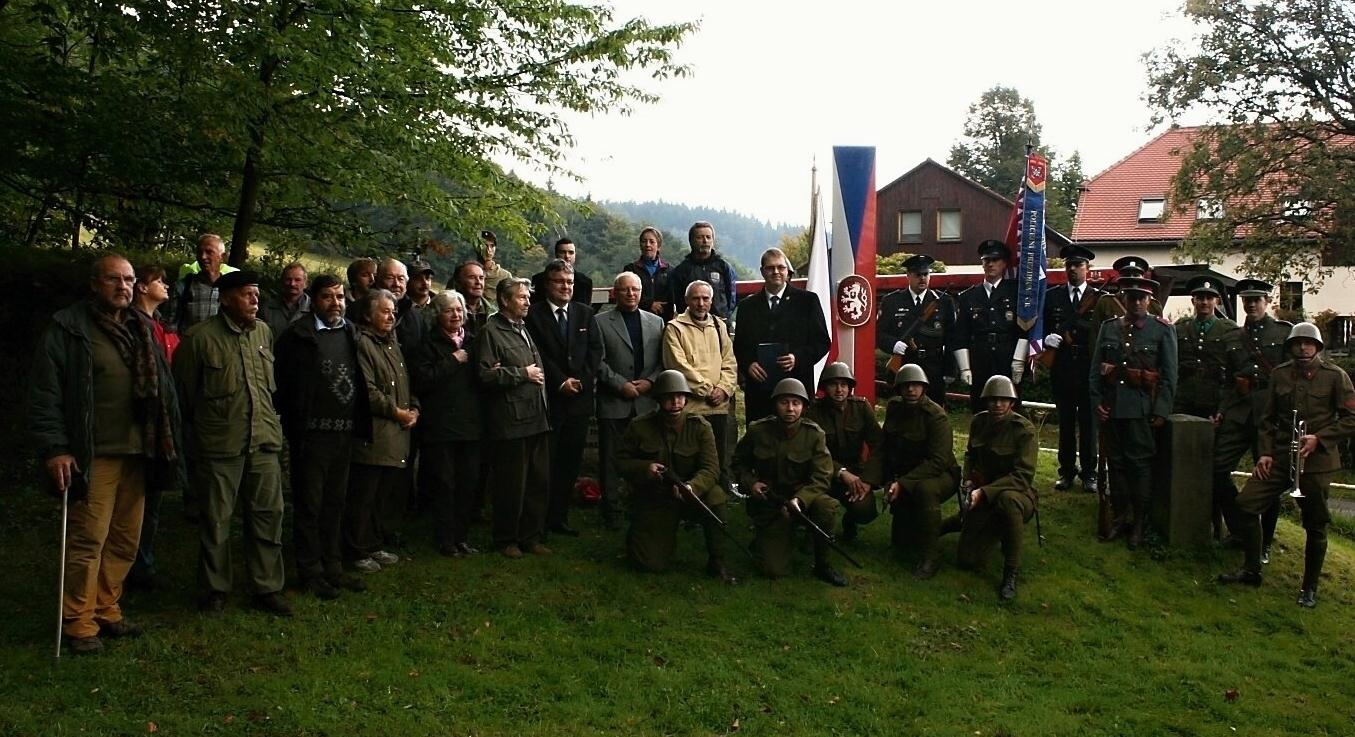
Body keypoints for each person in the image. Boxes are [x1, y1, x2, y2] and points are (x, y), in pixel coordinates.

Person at [29, 255, 181, 653]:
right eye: (114, 279)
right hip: (93, 452)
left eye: (130, 280)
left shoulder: (141, 327)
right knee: (88, 538)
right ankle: (77, 620)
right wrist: (56, 448)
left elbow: (164, 389)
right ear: (94, 283)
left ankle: (105, 607)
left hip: (141, 450)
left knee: (125, 539)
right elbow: (47, 394)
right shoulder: (69, 327)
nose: (124, 286)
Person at [173, 270, 291, 616]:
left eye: (256, 294)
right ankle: (214, 589)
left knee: (269, 516)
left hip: (263, 441)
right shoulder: (199, 340)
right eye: (246, 294)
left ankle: (266, 587)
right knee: (216, 520)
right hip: (220, 444)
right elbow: (185, 398)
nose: (255, 300)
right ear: (225, 299)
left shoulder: (264, 334)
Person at [1219, 322, 1355, 608]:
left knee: (1315, 525)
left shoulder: (1335, 377)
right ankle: (1252, 569)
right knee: (1245, 504)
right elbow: (1266, 418)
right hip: (1280, 457)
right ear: (1290, 347)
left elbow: (1351, 418)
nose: (1303, 348)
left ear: (1318, 348)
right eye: (1297, 344)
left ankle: (1309, 588)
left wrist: (1320, 437)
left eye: (1309, 344)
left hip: (1315, 463)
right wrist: (1265, 453)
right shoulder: (1279, 375)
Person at [272, 275, 371, 599]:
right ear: (313, 300)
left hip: (344, 434)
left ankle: (333, 567)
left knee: (335, 503)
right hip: (311, 436)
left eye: (340, 296)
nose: (336, 303)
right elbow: (283, 387)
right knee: (309, 506)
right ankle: (309, 571)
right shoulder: (297, 337)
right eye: (328, 297)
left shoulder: (351, 333)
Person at [617, 370, 735, 583]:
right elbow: (621, 462)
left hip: (690, 494)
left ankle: (717, 560)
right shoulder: (640, 426)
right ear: (659, 399)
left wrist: (692, 487)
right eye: (669, 397)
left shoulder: (700, 428)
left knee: (716, 498)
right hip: (656, 496)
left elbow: (711, 469)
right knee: (649, 564)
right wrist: (646, 468)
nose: (675, 402)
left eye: (680, 396)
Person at [1088, 276, 1178, 549]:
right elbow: (1095, 371)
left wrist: (1161, 410)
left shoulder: (1161, 330)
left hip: (1142, 411)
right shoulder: (1109, 328)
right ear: (1124, 299)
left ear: (1150, 300)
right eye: (1131, 297)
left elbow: (1169, 376)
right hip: (1112, 407)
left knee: (1139, 466)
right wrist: (1097, 403)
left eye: (1142, 297)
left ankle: (1139, 521)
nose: (1136, 302)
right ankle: (1121, 517)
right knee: (1115, 465)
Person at [733, 378, 845, 586]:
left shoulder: (814, 435)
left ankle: (822, 563)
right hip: (771, 502)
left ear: (803, 406)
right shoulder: (758, 430)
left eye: (796, 403)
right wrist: (751, 483)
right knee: (773, 570)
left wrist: (800, 500)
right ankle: (765, 540)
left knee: (826, 506)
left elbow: (822, 476)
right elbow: (738, 463)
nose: (790, 409)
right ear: (775, 404)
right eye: (784, 402)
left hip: (803, 500)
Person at [1215, 279, 1291, 561]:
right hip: (1239, 413)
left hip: (1269, 417)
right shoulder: (1233, 337)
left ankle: (1265, 543)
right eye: (1246, 300)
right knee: (1217, 469)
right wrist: (1222, 408)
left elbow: (1290, 377)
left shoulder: (1284, 333)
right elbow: (1226, 380)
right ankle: (1240, 528)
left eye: (1256, 299)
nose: (1251, 304)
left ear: (1267, 301)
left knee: (1267, 479)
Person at [526, 259, 602, 537]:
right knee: (546, 464)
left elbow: (595, 351)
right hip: (551, 400)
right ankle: (539, 521)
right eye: (560, 282)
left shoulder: (584, 314)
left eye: (569, 282)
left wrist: (581, 380)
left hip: (579, 402)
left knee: (570, 463)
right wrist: (560, 381)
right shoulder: (533, 315)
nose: (566, 287)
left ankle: (559, 517)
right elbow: (538, 354)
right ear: (547, 285)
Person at [343, 289, 417, 574]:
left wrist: (413, 409)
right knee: (364, 495)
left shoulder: (391, 343)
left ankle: (373, 543)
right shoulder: (363, 343)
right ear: (367, 315)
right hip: (374, 434)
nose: (391, 316)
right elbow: (367, 391)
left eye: (393, 311)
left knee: (382, 495)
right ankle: (355, 549)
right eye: (385, 311)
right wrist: (397, 412)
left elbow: (403, 382)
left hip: (396, 433)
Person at [945, 375, 1038, 601]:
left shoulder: (1023, 430)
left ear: (1012, 402)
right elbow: (971, 456)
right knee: (967, 560)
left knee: (1008, 501)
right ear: (986, 401)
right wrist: (969, 480)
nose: (998, 404)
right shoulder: (979, 422)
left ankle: (1010, 572)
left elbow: (1022, 476)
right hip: (983, 495)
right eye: (993, 399)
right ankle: (989, 528)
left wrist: (984, 492)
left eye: (1003, 400)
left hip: (1017, 495)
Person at [478, 278, 552, 558]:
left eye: (527, 297)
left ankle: (531, 536)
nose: (527, 302)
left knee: (537, 481)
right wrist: (522, 374)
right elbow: (485, 374)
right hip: (511, 420)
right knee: (512, 484)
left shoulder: (523, 329)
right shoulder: (491, 332)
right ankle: (506, 538)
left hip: (537, 416)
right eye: (521, 297)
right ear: (504, 300)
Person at [411, 290, 482, 557]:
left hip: (471, 425)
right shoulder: (427, 345)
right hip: (440, 427)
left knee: (468, 484)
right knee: (444, 484)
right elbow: (422, 380)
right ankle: (445, 540)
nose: (456, 315)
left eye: (459, 310)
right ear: (437, 314)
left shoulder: (474, 342)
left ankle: (462, 537)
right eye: (449, 310)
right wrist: (453, 360)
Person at [125, 264, 182, 592]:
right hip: (143, 425)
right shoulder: (135, 326)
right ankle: (133, 564)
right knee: (137, 499)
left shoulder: (159, 325)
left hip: (163, 422)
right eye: (159, 281)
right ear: (143, 288)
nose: (166, 285)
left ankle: (142, 562)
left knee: (153, 500)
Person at [595, 272, 664, 529]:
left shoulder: (656, 322)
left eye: (635, 289)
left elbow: (663, 361)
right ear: (615, 292)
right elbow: (597, 362)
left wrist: (650, 382)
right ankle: (611, 510)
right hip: (614, 402)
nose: (630, 294)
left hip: (646, 402)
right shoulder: (600, 322)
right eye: (625, 290)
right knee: (611, 459)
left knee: (647, 458)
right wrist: (619, 384)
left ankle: (646, 506)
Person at [732, 247, 831, 425]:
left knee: (798, 442)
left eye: (780, 267)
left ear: (787, 271)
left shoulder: (807, 301)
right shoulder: (747, 306)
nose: (776, 272)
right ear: (762, 272)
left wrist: (797, 358)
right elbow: (739, 345)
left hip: (796, 387)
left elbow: (822, 342)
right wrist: (748, 364)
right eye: (770, 268)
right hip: (759, 389)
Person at [881, 364, 960, 579]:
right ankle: (937, 528)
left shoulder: (936, 416)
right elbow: (887, 447)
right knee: (902, 543)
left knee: (925, 490)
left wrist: (903, 482)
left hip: (941, 474)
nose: (911, 390)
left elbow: (938, 460)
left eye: (916, 385)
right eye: (906, 386)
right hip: (909, 473)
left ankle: (930, 557)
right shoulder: (895, 408)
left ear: (924, 388)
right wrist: (889, 479)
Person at [662, 280, 738, 495]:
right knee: (691, 455)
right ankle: (688, 494)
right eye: (696, 298)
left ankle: (721, 493)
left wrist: (723, 389)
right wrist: (707, 390)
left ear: (711, 301)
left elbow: (729, 361)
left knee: (720, 453)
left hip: (719, 405)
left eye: (705, 298)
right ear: (687, 301)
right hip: (692, 406)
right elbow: (677, 365)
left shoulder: (719, 325)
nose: (701, 303)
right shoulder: (675, 328)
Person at [1041, 245, 1105, 492]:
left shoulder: (1098, 298)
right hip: (1063, 369)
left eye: (1078, 265)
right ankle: (1066, 471)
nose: (1073, 269)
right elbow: (1042, 327)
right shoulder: (1053, 296)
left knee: (1089, 425)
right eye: (1069, 265)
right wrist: (1047, 339)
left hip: (1088, 370)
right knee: (1066, 423)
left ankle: (1090, 473)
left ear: (1088, 269)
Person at [805, 362, 882, 541]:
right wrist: (841, 472)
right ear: (825, 387)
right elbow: (811, 452)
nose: (839, 390)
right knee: (816, 502)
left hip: (856, 473)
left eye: (844, 385)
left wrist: (868, 480)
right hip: (821, 473)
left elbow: (879, 446)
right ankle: (813, 530)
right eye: (833, 384)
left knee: (865, 510)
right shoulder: (813, 412)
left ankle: (850, 521)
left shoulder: (861, 408)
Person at [952, 240, 1029, 412]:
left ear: (1004, 264)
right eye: (987, 260)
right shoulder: (968, 296)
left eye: (996, 260)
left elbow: (1025, 328)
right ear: (982, 264)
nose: (991, 264)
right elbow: (960, 335)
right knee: (980, 407)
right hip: (980, 359)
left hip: (1007, 357)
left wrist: (1019, 359)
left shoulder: (1016, 293)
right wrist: (965, 367)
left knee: (1011, 407)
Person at [875, 254, 954, 405]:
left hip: (933, 367)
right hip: (904, 364)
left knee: (934, 412)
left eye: (926, 274)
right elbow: (879, 334)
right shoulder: (892, 301)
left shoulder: (943, 302)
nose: (922, 278)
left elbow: (951, 338)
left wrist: (950, 370)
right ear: (908, 276)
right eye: (918, 275)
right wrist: (893, 345)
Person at [1173, 275, 1246, 420]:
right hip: (1184, 397)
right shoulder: (1180, 327)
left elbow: (1235, 366)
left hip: (1215, 397)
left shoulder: (1229, 329)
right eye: (1200, 298)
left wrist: (1224, 406)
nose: (1204, 302)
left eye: (1209, 298)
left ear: (1217, 301)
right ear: (1193, 300)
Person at [667, 221, 738, 319]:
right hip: (690, 326)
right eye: (700, 237)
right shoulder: (682, 270)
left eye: (708, 237)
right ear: (691, 241)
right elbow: (676, 301)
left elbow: (732, 297)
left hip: (718, 324)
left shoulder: (723, 267)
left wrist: (724, 317)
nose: (705, 241)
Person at [172, 233, 237, 335]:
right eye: (199, 252)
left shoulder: (232, 289)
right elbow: (170, 326)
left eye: (209, 252)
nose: (203, 257)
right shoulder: (184, 287)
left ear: (222, 257)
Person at [1090, 255, 1163, 326]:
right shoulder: (1106, 302)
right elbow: (1095, 334)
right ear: (1119, 279)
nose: (1131, 279)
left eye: (1136, 275)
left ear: (1142, 278)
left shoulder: (1153, 305)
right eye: (1127, 274)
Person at [622, 226, 672, 318]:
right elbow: (625, 293)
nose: (647, 245)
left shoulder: (669, 270)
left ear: (658, 246)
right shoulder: (631, 269)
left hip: (663, 317)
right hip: (637, 316)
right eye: (644, 241)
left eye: (652, 242)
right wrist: (649, 304)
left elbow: (671, 296)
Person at [377, 258, 424, 352]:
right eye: (390, 278)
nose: (396, 284)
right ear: (378, 279)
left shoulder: (416, 316)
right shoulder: (362, 310)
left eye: (401, 279)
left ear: (407, 283)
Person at [532, 238, 594, 309]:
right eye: (563, 252)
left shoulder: (585, 282)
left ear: (575, 255)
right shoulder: (539, 279)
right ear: (556, 254)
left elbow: (585, 311)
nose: (567, 256)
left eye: (571, 252)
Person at [260, 262, 311, 342]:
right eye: (288, 279)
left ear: (306, 283)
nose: (292, 284)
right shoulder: (267, 308)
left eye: (297, 280)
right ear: (282, 281)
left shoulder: (314, 309)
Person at [450, 260, 494, 333]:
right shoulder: (444, 310)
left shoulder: (493, 313)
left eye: (481, 278)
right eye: (472, 277)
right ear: (458, 282)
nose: (478, 282)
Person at [475, 229, 514, 300]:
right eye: (485, 246)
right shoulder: (465, 273)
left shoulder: (504, 276)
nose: (488, 250)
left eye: (492, 246)